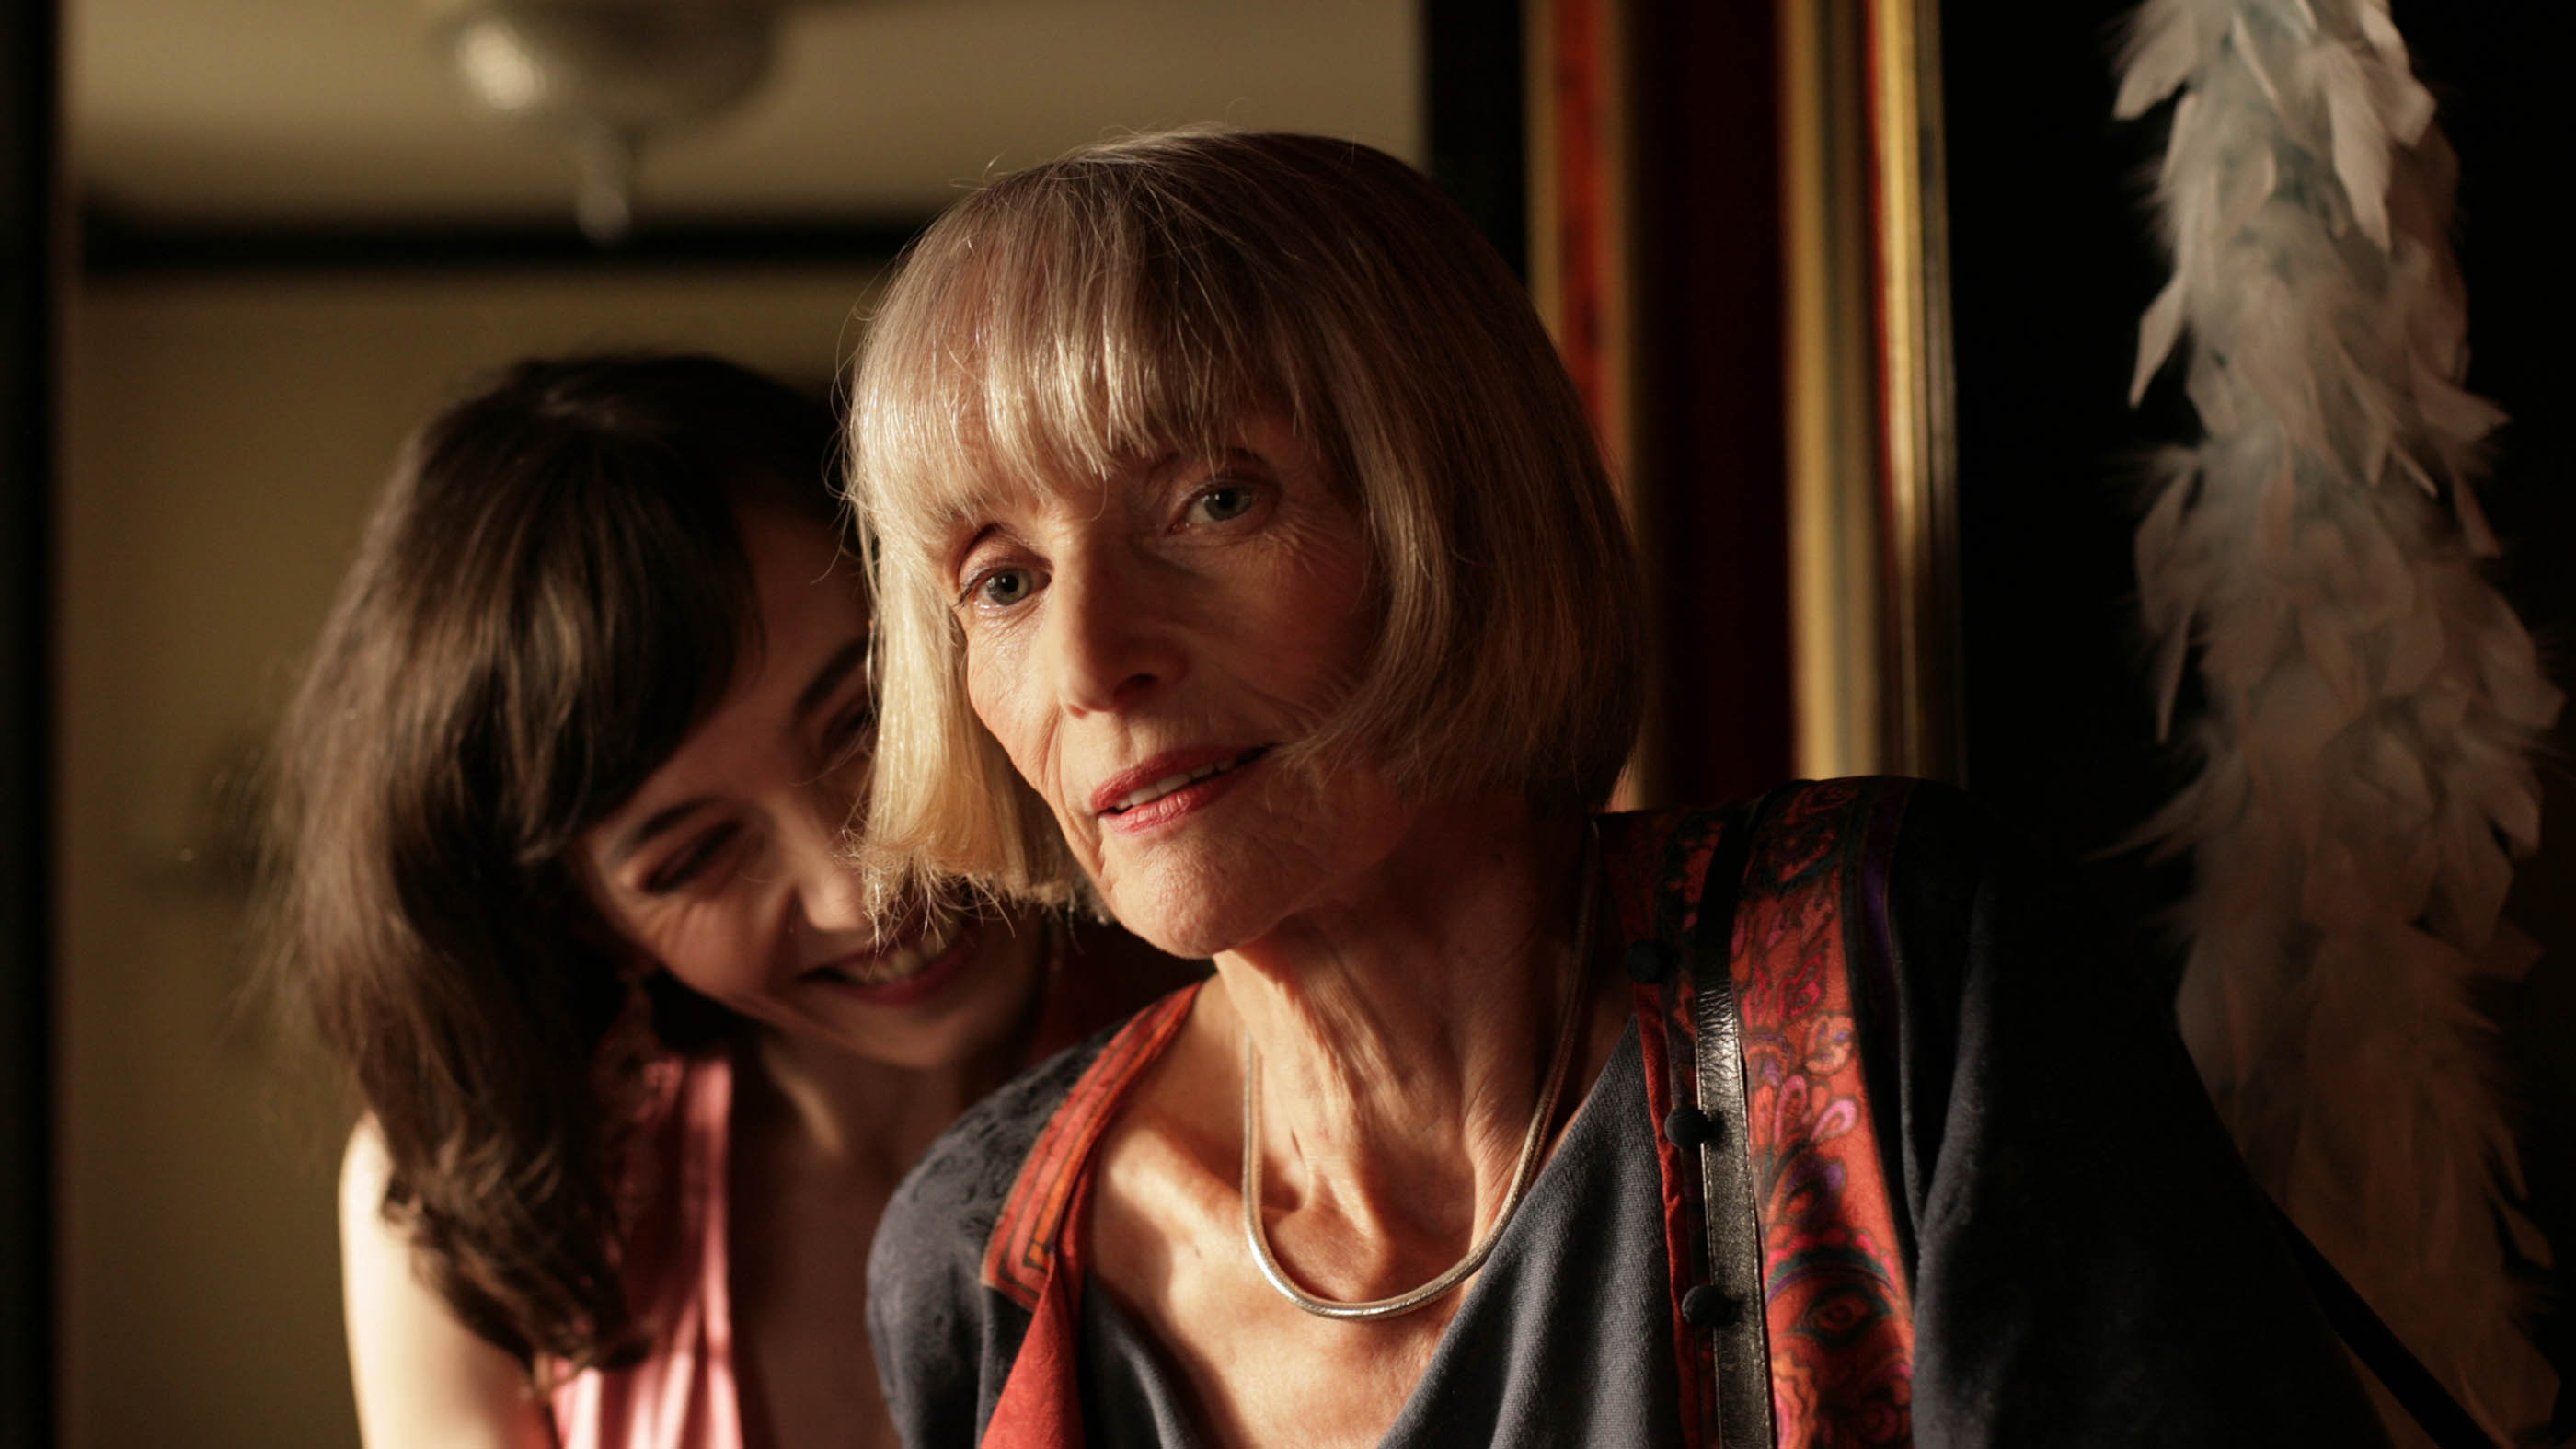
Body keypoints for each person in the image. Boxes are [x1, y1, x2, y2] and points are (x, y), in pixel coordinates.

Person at [845, 132, 2389, 1446]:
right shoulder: (987, 1259)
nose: (1090, 660)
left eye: (1214, 499)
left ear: (1452, 505)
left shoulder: (1889, 964)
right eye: (1002, 579)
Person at [264, 354, 1189, 1449]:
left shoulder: (1256, 1043)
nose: (857, 889)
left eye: (866, 721)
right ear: (576, 915)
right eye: (696, 854)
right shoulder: (492, 1207)